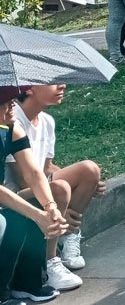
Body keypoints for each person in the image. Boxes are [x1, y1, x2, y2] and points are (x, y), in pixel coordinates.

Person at [1, 86, 70, 304]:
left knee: (32, 208)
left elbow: (33, 172)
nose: (13, 106)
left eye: (13, 100)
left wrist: (50, 207)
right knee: (4, 223)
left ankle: (26, 283)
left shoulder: (11, 129)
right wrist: (37, 214)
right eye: (6, 102)